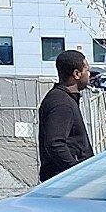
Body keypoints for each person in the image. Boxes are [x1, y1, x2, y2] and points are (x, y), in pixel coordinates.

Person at [38, 49, 94, 181]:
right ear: (76, 74)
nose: (89, 74)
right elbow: (55, 143)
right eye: (87, 70)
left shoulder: (65, 98)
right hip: (64, 183)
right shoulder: (62, 103)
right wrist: (75, 172)